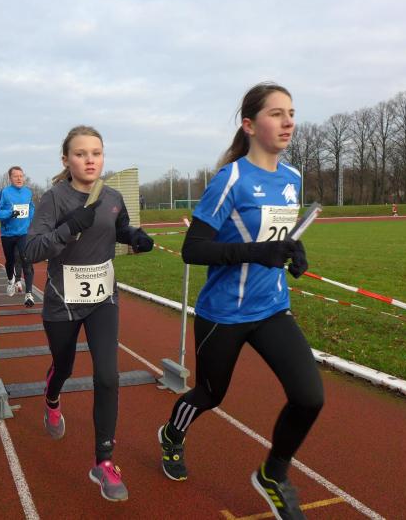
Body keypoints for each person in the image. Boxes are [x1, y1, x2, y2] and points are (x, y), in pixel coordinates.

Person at [156, 83, 323, 520]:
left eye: (291, 113)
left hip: (272, 308)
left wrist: (294, 251)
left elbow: (278, 236)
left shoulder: (292, 178)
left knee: (309, 397)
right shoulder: (229, 179)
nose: (288, 122)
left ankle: (273, 474)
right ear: (249, 125)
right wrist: (257, 252)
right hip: (224, 313)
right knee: (210, 394)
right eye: (276, 114)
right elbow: (193, 249)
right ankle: (172, 434)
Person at [23, 126, 154, 502]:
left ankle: (104, 462)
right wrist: (68, 228)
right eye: (81, 154)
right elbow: (31, 250)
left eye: (96, 152)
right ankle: (51, 399)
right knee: (64, 367)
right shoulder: (54, 198)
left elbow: (119, 227)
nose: (90, 160)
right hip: (62, 302)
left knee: (108, 376)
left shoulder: (112, 196)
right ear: (66, 160)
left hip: (103, 299)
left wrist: (134, 237)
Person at [0, 166, 36, 307]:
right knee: (10, 261)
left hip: (24, 233)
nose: (19, 178)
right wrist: (9, 213)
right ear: (10, 178)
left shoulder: (28, 192)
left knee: (27, 260)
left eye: (21, 176)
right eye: (16, 176)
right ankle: (10, 280)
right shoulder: (4, 193)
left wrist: (30, 219)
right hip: (8, 234)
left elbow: (31, 207)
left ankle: (29, 294)